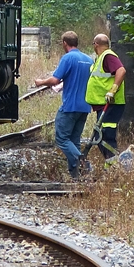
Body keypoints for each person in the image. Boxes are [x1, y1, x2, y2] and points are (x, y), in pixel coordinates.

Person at [34, 31, 93, 179]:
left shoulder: (68, 58)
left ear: (65, 43)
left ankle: (82, 162)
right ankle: (76, 175)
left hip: (70, 106)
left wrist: (40, 82)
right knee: (74, 140)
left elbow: (55, 80)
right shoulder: (88, 60)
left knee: (62, 139)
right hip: (85, 107)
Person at [85, 33, 126, 165]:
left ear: (96, 44)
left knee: (105, 136)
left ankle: (115, 165)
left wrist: (112, 91)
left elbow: (121, 71)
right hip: (103, 104)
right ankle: (112, 165)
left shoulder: (108, 56)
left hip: (111, 104)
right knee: (101, 137)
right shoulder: (101, 58)